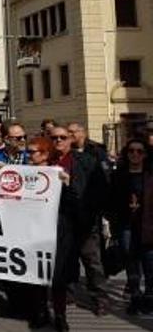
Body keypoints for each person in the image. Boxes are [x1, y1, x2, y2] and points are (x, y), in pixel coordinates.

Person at [48, 125, 110, 316]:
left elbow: (100, 190)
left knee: (92, 261)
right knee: (66, 260)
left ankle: (100, 298)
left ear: (70, 140)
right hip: (58, 222)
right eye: (54, 138)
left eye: (63, 137)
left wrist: (70, 185)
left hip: (84, 220)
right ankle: (68, 293)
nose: (58, 141)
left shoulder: (87, 161)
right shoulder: (46, 162)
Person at [27, 136, 75, 332]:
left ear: (45, 153)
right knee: (37, 273)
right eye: (28, 152)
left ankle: (60, 315)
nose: (28, 155)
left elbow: (74, 203)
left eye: (33, 152)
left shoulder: (58, 173)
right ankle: (40, 312)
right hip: (33, 229)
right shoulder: (24, 172)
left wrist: (68, 184)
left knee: (58, 275)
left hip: (58, 230)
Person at [107, 139, 153, 314]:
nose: (135, 154)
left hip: (148, 225)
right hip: (126, 225)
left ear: (145, 155)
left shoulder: (150, 175)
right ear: (127, 154)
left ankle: (149, 296)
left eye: (139, 151)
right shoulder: (119, 175)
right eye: (131, 151)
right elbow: (111, 200)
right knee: (131, 261)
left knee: (150, 263)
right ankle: (135, 296)